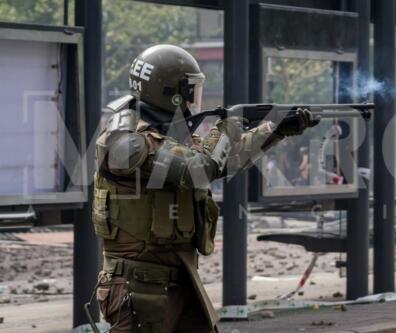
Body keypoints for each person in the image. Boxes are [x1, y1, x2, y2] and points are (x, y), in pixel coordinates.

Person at [91, 44, 315, 333]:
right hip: (138, 287)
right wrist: (227, 126)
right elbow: (201, 169)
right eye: (190, 90)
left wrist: (276, 130)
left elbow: (224, 161)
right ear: (170, 91)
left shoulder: (163, 136)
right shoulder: (127, 142)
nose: (194, 99)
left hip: (179, 281)